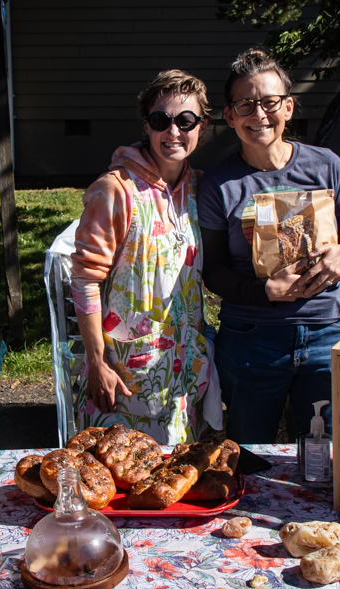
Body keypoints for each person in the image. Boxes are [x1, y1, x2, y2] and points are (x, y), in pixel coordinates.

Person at [197, 49, 340, 444]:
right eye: (245, 104)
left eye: (270, 102)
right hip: (251, 339)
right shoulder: (220, 184)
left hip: (331, 332)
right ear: (230, 116)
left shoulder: (326, 165)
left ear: (288, 107)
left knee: (328, 458)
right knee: (249, 455)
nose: (259, 114)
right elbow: (215, 271)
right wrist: (264, 292)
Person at [70, 69, 214, 445]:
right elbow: (85, 279)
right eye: (160, 120)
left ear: (202, 125)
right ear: (146, 126)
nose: (173, 132)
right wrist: (97, 362)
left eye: (185, 121)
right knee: (120, 481)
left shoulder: (201, 188)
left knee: (176, 485)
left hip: (181, 379)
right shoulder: (115, 191)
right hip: (124, 376)